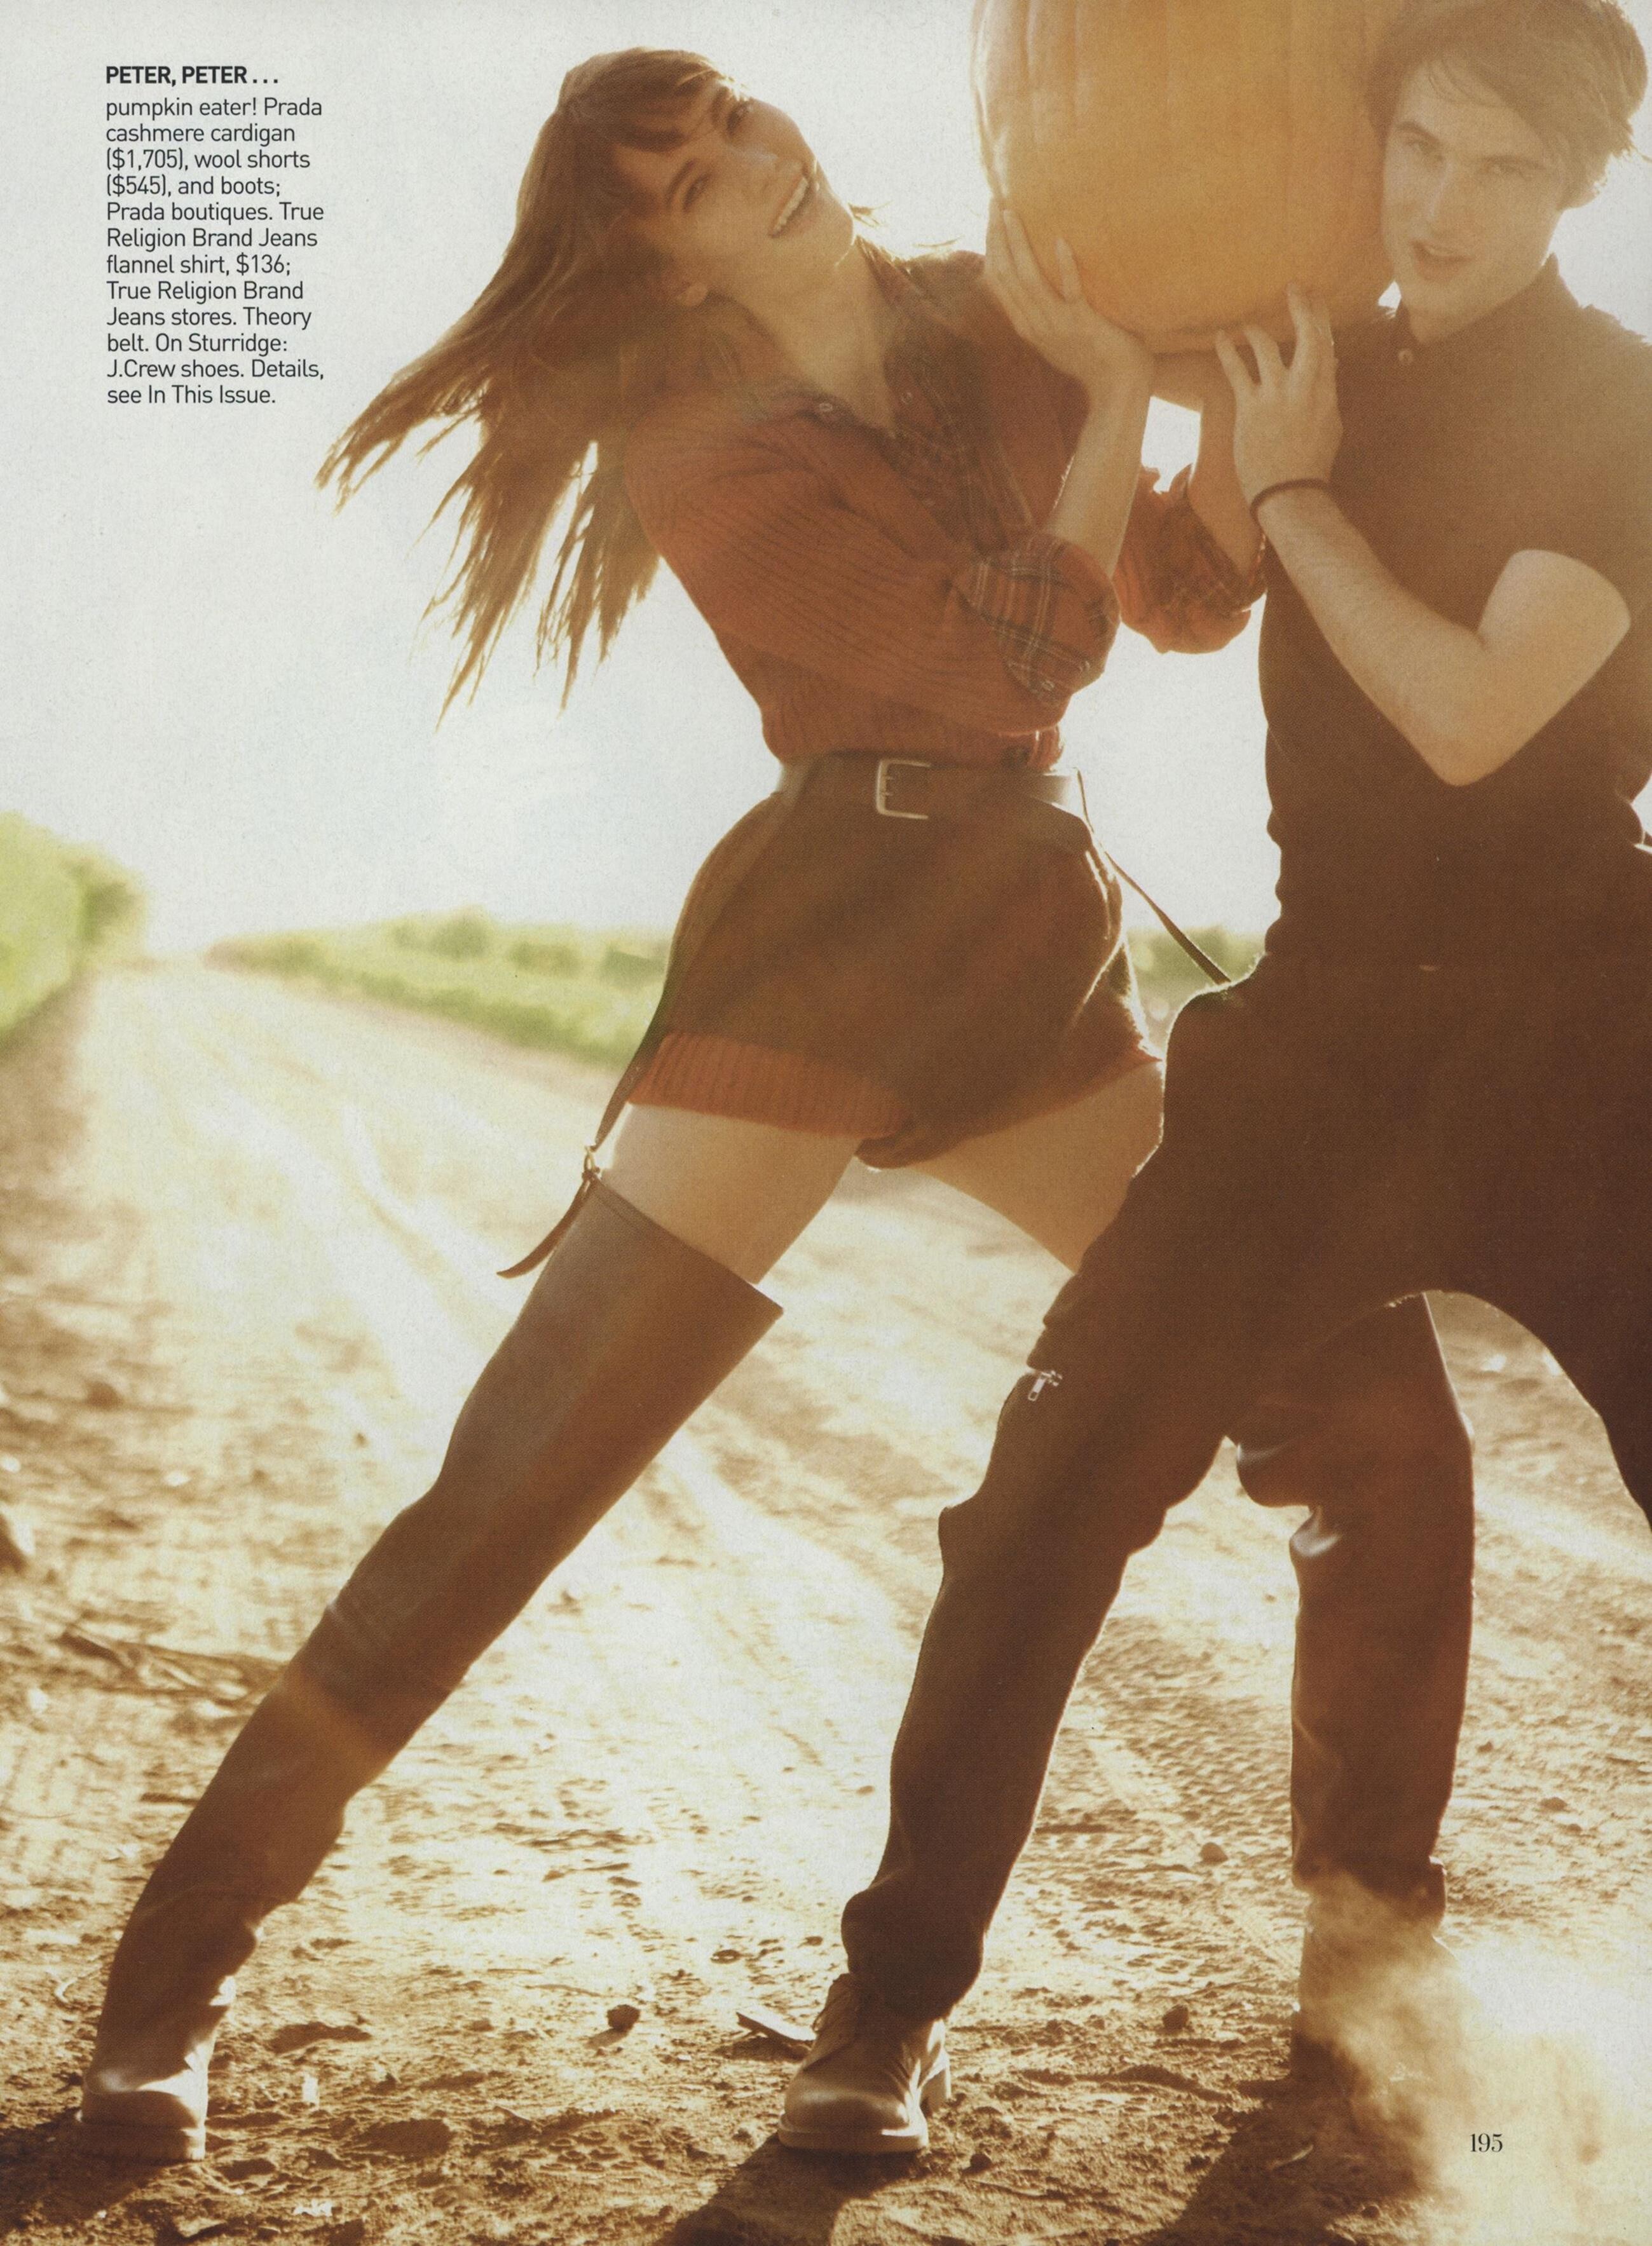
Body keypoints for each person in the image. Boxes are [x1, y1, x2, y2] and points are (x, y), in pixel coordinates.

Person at [76, 48, 1474, 2165]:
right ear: (660, 261)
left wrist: (1248, 449)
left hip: (1018, 944)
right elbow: (1012, 666)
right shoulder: (698, 445)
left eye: (734, 119)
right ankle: (167, 1986)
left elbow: (1171, 599)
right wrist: (1119, 395)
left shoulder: (998, 307)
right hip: (828, 937)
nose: (751, 161)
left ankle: (1360, 1989)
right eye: (691, 179)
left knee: (1367, 1410)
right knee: (523, 1477)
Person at [782, 0, 1652, 2160]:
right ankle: (886, 2012)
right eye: (1417, 149)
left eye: (1502, 173)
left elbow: (1473, 716)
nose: (1441, 207)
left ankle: (1373, 1967)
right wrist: (1125, 387)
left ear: (1578, 191)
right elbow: (1176, 596)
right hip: (1329, 1039)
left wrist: (1293, 491)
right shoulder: (1314, 363)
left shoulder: (1620, 408)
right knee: (1046, 1493)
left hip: (1587, 1038)